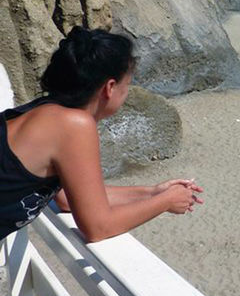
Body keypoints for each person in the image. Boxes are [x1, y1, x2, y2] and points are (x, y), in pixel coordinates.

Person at [0, 27, 202, 243]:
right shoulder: (74, 125)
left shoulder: (46, 110)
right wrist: (166, 202)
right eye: (127, 85)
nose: (127, 93)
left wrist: (152, 192)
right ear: (110, 87)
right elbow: (97, 227)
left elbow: (67, 199)